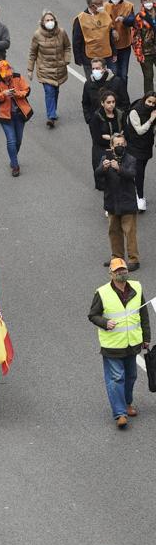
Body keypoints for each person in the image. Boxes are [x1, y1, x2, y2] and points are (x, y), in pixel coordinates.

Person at [87, 259, 150, 426]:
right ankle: (120, 414)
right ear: (111, 273)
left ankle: (127, 404)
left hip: (132, 343)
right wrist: (105, 323)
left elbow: (143, 314)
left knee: (131, 376)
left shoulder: (136, 287)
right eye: (118, 271)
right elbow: (93, 315)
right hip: (112, 345)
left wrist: (146, 338)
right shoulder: (102, 292)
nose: (122, 273)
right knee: (116, 378)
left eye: (123, 270)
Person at [96, 133, 140, 269]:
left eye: (122, 144)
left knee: (129, 232)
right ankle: (117, 258)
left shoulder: (131, 159)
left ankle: (134, 260)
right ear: (112, 146)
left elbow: (132, 174)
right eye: (117, 144)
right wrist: (103, 167)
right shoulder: (105, 158)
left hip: (127, 202)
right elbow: (97, 174)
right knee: (114, 232)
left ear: (125, 144)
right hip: (112, 202)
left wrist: (118, 168)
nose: (120, 146)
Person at [27, 11, 71, 127]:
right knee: (49, 91)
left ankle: (53, 111)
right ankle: (51, 116)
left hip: (59, 69)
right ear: (42, 22)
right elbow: (32, 53)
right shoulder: (37, 35)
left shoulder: (61, 33)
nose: (50, 22)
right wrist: (30, 69)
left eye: (51, 20)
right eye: (47, 20)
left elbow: (67, 47)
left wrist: (66, 60)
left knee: (55, 90)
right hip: (45, 70)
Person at [0, 60, 32, 178]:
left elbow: (27, 90)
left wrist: (16, 93)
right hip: (5, 116)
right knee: (11, 140)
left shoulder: (18, 77)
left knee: (18, 140)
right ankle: (15, 165)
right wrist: (3, 94)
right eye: (5, 76)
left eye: (9, 75)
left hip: (19, 115)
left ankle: (13, 157)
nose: (8, 77)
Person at [73, 0, 116, 78]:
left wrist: (114, 52)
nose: (102, 5)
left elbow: (109, 35)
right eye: (100, 3)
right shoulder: (81, 19)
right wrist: (79, 59)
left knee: (110, 82)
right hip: (90, 58)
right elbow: (76, 40)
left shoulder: (105, 14)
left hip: (106, 55)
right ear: (92, 5)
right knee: (93, 83)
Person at [125, 92, 156, 211]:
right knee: (139, 173)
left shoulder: (153, 111)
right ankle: (140, 197)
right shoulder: (135, 111)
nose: (151, 105)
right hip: (134, 146)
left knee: (139, 170)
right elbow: (139, 130)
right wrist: (151, 119)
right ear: (144, 100)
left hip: (146, 146)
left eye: (153, 103)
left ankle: (133, 192)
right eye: (149, 102)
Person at [89, 89, 125, 190]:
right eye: (108, 102)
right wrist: (115, 137)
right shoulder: (96, 117)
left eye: (113, 102)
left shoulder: (120, 114)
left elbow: (124, 130)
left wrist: (110, 137)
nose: (111, 105)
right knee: (101, 170)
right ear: (102, 103)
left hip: (117, 148)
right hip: (101, 148)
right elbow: (97, 137)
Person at [82, 57, 129, 123]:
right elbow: (85, 104)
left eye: (97, 68)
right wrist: (89, 119)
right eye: (93, 69)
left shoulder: (117, 82)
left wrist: (121, 118)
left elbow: (125, 102)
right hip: (97, 122)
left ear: (104, 68)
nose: (95, 71)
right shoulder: (88, 84)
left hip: (115, 120)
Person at [105, 0, 134, 86]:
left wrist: (124, 19)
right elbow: (102, 24)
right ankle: (113, 97)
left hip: (125, 45)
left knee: (123, 74)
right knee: (114, 74)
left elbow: (132, 20)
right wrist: (112, 29)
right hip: (111, 47)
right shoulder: (104, 7)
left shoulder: (128, 6)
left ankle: (123, 99)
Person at [129, 0, 156, 95]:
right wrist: (139, 54)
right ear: (141, 2)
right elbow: (135, 37)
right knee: (148, 77)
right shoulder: (139, 17)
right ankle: (150, 102)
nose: (148, 1)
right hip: (146, 52)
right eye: (145, 0)